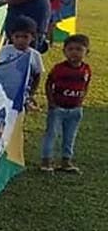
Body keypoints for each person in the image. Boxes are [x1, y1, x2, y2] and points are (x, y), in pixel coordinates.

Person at [41, 34, 91, 174]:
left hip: (75, 109)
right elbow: (49, 84)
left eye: (79, 49)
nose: (74, 52)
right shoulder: (59, 68)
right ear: (64, 51)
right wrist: (51, 102)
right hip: (58, 108)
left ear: (86, 52)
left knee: (70, 136)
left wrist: (81, 101)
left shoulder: (86, 69)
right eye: (70, 49)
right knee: (51, 134)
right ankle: (46, 161)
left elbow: (86, 84)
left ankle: (66, 160)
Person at [0, 15, 44, 110]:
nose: (21, 40)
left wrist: (31, 93)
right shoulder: (5, 51)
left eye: (25, 37)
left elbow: (37, 76)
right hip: (4, 91)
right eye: (17, 36)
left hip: (23, 93)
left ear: (33, 37)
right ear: (11, 37)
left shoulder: (34, 55)